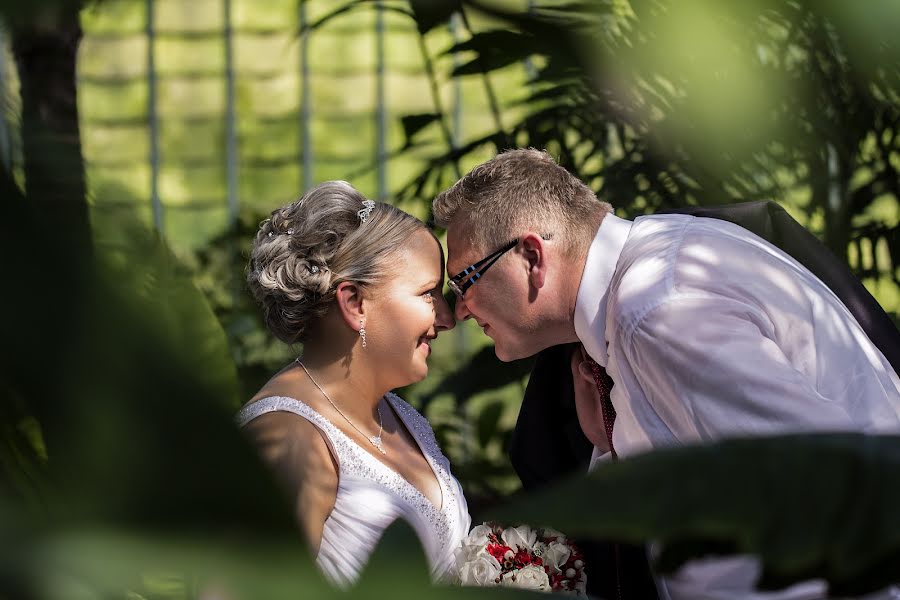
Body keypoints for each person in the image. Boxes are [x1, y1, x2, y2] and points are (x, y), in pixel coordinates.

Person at [434, 148, 900, 599]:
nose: (459, 311)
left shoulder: (658, 312)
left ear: (532, 257)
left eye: (465, 280)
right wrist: (609, 441)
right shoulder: (662, 256)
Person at [236, 181, 471, 587]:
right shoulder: (288, 437)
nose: (448, 318)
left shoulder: (401, 417)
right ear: (355, 303)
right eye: (428, 293)